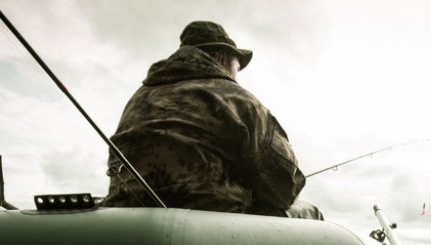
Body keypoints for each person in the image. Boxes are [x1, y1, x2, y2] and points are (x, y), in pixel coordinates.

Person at [102, 21, 322, 219]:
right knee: (311, 212)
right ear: (220, 57)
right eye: (237, 66)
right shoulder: (239, 100)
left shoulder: (139, 98)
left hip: (129, 217)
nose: (237, 74)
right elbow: (284, 190)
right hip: (211, 227)